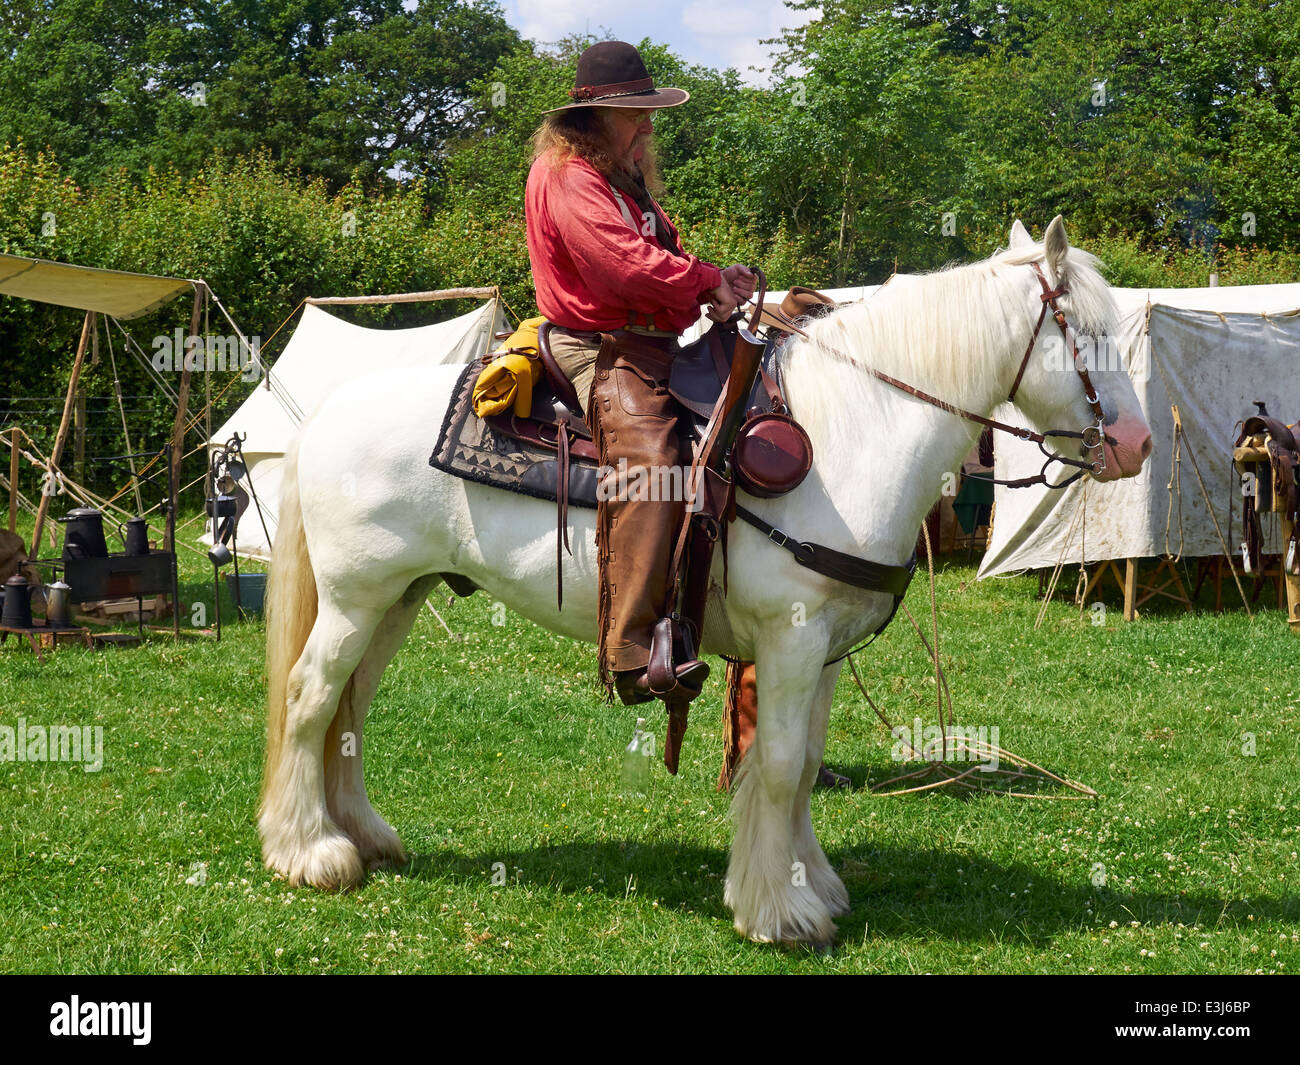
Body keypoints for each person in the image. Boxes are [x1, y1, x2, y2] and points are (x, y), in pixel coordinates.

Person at [525, 40, 755, 705]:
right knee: (652, 454)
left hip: (650, 339)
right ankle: (630, 651)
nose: (649, 125)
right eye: (637, 113)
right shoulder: (569, 176)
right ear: (594, 118)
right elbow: (622, 267)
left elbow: (660, 257)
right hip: (597, 348)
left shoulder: (620, 176)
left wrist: (713, 285)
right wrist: (704, 280)